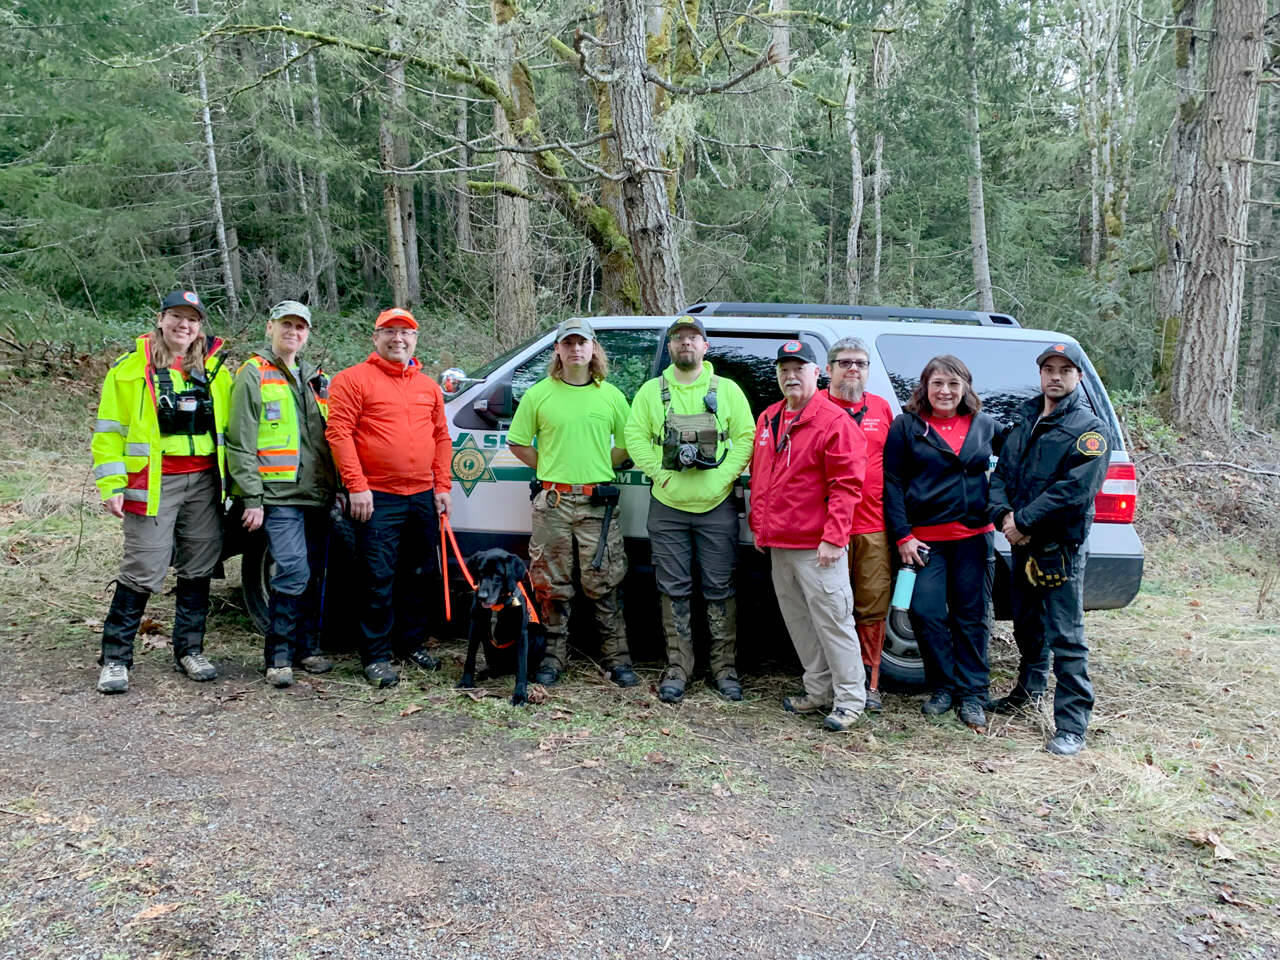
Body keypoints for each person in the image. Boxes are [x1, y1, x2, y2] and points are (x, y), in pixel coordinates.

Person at [91, 289, 232, 694]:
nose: (183, 325)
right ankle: (116, 658)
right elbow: (107, 433)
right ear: (161, 319)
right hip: (152, 481)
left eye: (192, 319)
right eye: (176, 317)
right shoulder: (130, 370)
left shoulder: (217, 372)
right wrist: (111, 484)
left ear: (200, 326)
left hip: (205, 482)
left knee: (199, 565)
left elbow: (233, 431)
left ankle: (189, 649)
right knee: (143, 567)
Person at [624, 316, 754, 703]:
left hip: (717, 507)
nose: (686, 344)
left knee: (719, 588)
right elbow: (635, 436)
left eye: (693, 338)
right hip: (667, 507)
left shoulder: (727, 390)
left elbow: (746, 437)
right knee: (672, 588)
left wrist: (723, 478)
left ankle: (724, 670)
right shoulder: (652, 391)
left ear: (705, 346)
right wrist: (659, 475)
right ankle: (678, 669)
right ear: (670, 348)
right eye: (679, 338)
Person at [988, 342, 1110, 756]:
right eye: (1049, 369)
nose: (1055, 376)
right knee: (1026, 624)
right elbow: (1002, 472)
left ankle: (1072, 724)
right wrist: (1004, 515)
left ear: (1077, 376)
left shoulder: (1089, 429)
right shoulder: (1024, 417)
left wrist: (1023, 521)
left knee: (1067, 636)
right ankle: (1029, 690)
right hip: (1020, 543)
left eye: (1064, 370)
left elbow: (1075, 491)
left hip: (1059, 548)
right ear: (1040, 374)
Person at [507, 318, 638, 688]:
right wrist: (549, 467)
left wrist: (598, 465)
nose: (576, 349)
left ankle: (618, 659)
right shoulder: (539, 395)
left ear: (594, 349)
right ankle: (552, 658)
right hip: (553, 502)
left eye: (583, 343)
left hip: (597, 504)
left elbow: (627, 445)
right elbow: (517, 442)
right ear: (558, 351)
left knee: (605, 582)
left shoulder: (610, 396)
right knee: (551, 585)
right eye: (569, 343)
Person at [325, 307, 452, 688]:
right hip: (376, 496)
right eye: (390, 332)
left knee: (419, 573)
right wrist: (356, 485)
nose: (398, 339)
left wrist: (442, 486)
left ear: (415, 339)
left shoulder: (428, 386)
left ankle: (410, 643)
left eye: (406, 332)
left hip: (422, 496)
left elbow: (442, 438)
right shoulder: (352, 380)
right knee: (377, 576)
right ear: (375, 337)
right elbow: (339, 434)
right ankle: (376, 655)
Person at [749, 340, 867, 732]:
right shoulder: (768, 418)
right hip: (779, 543)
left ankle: (850, 699)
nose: (791, 375)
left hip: (819, 548)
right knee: (800, 623)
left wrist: (834, 538)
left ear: (817, 374)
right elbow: (763, 480)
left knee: (834, 622)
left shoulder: (833, 422)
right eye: (784, 369)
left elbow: (847, 486)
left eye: (799, 368)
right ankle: (818, 690)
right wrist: (759, 528)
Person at [883, 354, 1004, 732]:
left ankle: (972, 696)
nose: (945, 391)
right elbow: (892, 484)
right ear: (925, 387)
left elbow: (1015, 465)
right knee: (926, 614)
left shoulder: (984, 425)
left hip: (974, 539)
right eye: (937, 383)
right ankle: (942, 688)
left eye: (953, 384)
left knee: (971, 619)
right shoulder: (907, 427)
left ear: (965, 387)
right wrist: (903, 535)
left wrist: (1004, 508)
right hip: (924, 543)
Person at [226, 300, 336, 688]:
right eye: (286, 325)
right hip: (278, 495)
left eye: (300, 327)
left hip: (318, 494)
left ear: (307, 334)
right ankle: (278, 656)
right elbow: (239, 440)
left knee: (316, 574)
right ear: (270, 327)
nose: (293, 332)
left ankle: (307, 649)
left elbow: (328, 438)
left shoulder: (316, 377)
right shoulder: (253, 373)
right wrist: (251, 498)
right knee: (291, 569)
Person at [824, 337, 895, 712]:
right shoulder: (815, 407)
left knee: (870, 607)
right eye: (845, 362)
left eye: (861, 363)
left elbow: (897, 469)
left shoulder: (882, 409)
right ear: (828, 369)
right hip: (826, 529)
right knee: (830, 609)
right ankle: (833, 681)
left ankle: (869, 683)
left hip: (872, 526)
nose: (853, 369)